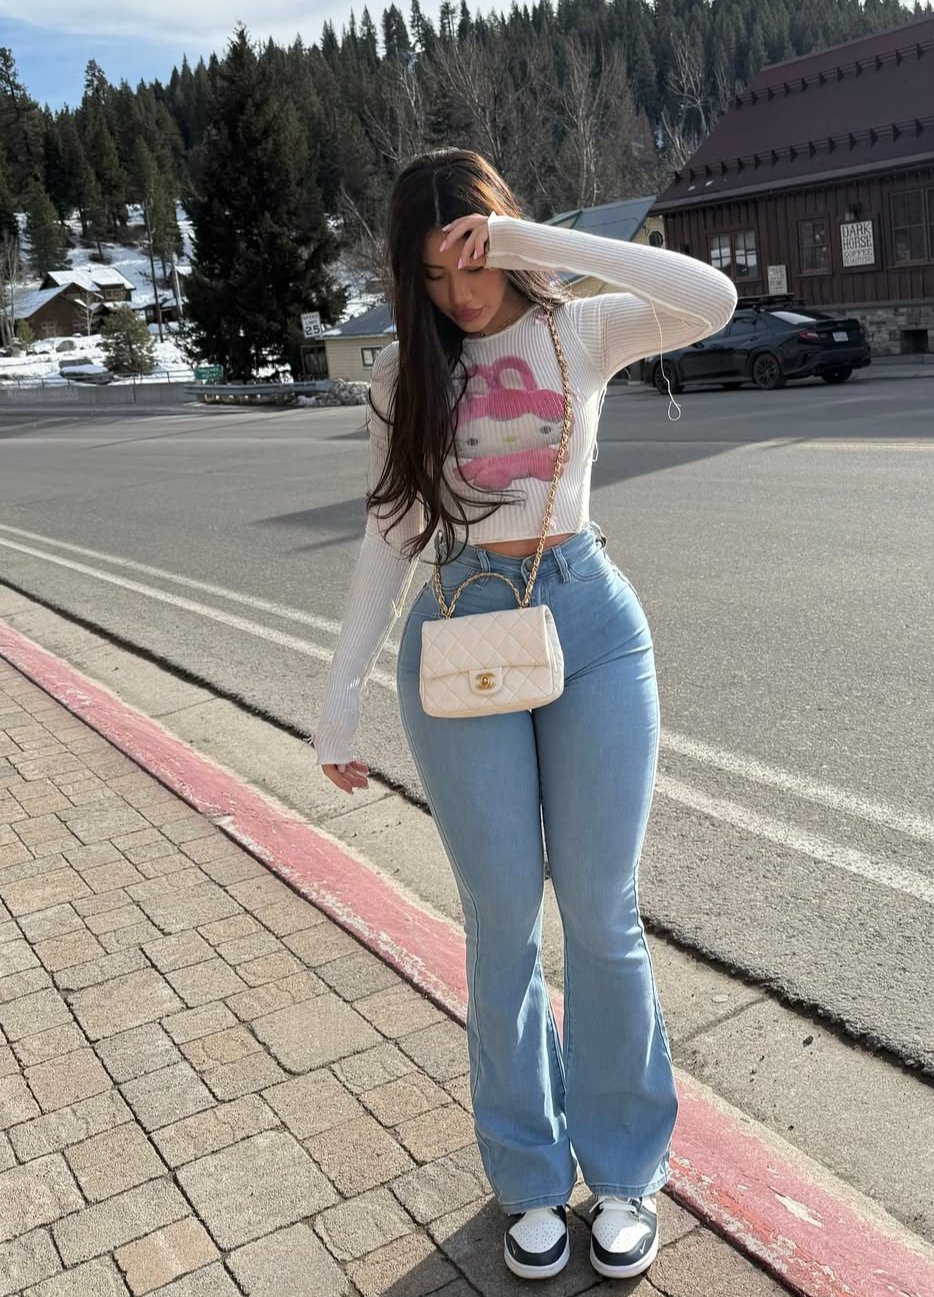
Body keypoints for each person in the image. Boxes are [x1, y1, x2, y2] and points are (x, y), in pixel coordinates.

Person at [312, 148, 735, 1280]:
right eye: (433, 270)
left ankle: (626, 1170)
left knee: (600, 910)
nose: (459, 290)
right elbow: (388, 533)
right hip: (459, 628)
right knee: (501, 922)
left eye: (472, 257)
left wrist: (529, 243)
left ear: (501, 238)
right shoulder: (405, 375)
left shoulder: (579, 331)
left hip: (588, 621)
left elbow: (710, 298)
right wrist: (341, 696)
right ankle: (530, 1175)